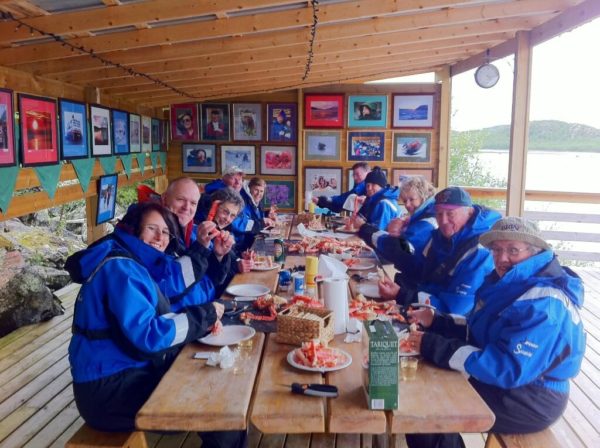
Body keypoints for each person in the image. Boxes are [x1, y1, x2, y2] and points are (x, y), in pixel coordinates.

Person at [66, 203, 246, 448]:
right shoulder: (121, 269)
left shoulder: (133, 261)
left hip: (127, 373)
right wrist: (204, 316)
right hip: (110, 391)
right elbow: (149, 336)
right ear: (132, 230)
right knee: (220, 413)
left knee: (215, 384)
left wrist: (210, 256)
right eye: (152, 228)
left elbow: (171, 287)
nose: (160, 238)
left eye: (165, 231)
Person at [404, 217, 586, 448]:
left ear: (535, 252)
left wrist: (431, 345)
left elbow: (506, 368)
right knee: (425, 387)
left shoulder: (544, 304)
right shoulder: (507, 283)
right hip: (512, 381)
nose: (502, 258)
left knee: (430, 411)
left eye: (513, 250)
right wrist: (437, 322)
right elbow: (480, 329)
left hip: (531, 397)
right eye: (497, 249)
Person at [378, 186, 501, 315]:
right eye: (439, 213)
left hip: (453, 324)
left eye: (450, 214)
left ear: (469, 212)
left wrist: (402, 295)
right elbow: (418, 268)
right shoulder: (438, 236)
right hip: (426, 307)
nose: (443, 220)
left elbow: (454, 310)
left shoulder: (480, 251)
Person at [358, 175, 437, 279]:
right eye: (404, 201)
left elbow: (399, 249)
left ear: (424, 196)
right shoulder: (420, 216)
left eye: (411, 199)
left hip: (420, 281)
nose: (407, 205)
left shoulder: (427, 222)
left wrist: (364, 228)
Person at [348, 167, 401, 231]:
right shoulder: (373, 200)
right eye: (367, 185)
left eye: (373, 185)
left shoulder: (384, 203)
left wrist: (361, 225)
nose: (369, 188)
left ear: (381, 186)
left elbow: (377, 232)